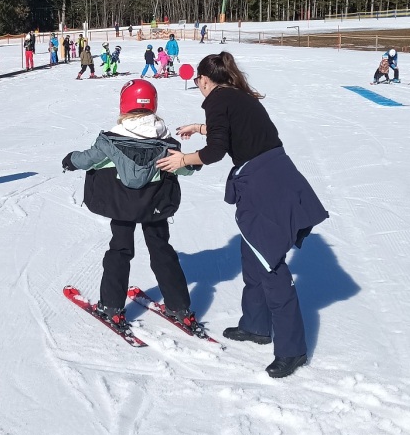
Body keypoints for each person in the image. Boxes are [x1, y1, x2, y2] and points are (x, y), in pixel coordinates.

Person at [157, 51, 328, 379]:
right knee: (251, 255)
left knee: (269, 263)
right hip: (272, 175)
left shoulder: (218, 99)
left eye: (198, 81)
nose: (198, 87)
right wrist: (201, 127)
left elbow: (216, 151)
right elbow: (237, 130)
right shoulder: (237, 96)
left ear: (205, 79)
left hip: (265, 184)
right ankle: (256, 325)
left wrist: (183, 160)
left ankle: (292, 350)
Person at [62, 78, 195, 328]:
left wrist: (70, 160)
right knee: (161, 250)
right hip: (154, 206)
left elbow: (87, 159)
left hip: (121, 206)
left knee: (120, 250)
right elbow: (185, 168)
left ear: (124, 104)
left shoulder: (110, 140)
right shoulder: (166, 142)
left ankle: (112, 307)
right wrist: (192, 163)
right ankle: (180, 308)